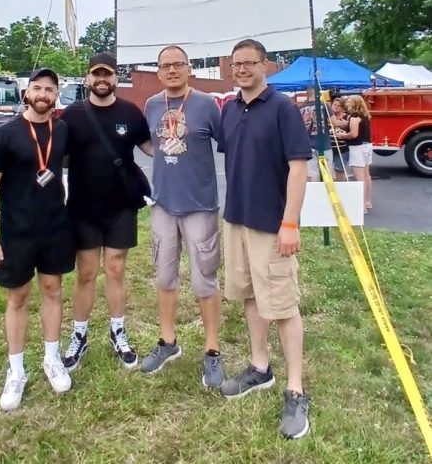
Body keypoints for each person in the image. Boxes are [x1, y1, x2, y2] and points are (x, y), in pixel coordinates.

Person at [218, 39, 312, 440]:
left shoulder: (283, 109)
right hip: (236, 220)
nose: (241, 69)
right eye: (236, 64)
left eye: (249, 63)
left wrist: (289, 223)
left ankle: (296, 389)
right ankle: (261, 368)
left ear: (265, 65)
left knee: (284, 306)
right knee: (251, 296)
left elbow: (297, 169)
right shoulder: (230, 109)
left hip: (272, 225)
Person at [0, 67, 74, 411]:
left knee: (53, 291)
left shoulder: (61, 130)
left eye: (50, 89)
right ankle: (16, 370)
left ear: (56, 96)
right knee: (17, 298)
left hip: (55, 229)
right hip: (16, 234)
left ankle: (52, 358)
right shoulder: (5, 136)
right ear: (26, 93)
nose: (43, 94)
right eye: (37, 87)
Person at [59, 53, 153, 372]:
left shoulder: (130, 112)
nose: (102, 79)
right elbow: (50, 153)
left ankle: (118, 331)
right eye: (96, 74)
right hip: (83, 209)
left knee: (115, 270)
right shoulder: (71, 116)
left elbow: (153, 148)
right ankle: (79, 335)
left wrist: (185, 147)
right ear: (87, 78)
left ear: (116, 78)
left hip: (121, 207)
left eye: (107, 74)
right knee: (85, 273)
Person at [139, 45, 225, 387]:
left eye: (178, 64)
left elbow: (227, 142)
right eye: (165, 66)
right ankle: (168, 342)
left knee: (205, 278)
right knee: (164, 276)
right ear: (158, 72)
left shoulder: (207, 105)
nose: (172, 70)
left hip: (200, 205)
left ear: (189, 69)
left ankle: (212, 351)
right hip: (163, 203)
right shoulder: (152, 105)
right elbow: (152, 144)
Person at [340, 95, 374, 211]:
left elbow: (353, 134)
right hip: (367, 146)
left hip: (357, 147)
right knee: (366, 175)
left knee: (359, 176)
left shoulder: (354, 117)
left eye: (349, 102)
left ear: (355, 104)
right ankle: (368, 202)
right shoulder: (364, 115)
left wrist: (342, 135)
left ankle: (361, 205)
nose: (347, 104)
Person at [297, 87, 326, 182]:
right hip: (325, 144)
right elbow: (334, 122)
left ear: (307, 93)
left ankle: (316, 194)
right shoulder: (324, 106)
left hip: (308, 143)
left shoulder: (301, 107)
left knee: (313, 174)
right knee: (327, 173)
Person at [329, 97, 352, 181]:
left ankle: (341, 187)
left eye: (339, 106)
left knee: (339, 170)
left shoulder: (347, 117)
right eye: (334, 105)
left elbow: (352, 132)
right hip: (329, 148)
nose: (336, 107)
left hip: (342, 148)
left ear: (342, 108)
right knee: (327, 171)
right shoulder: (328, 117)